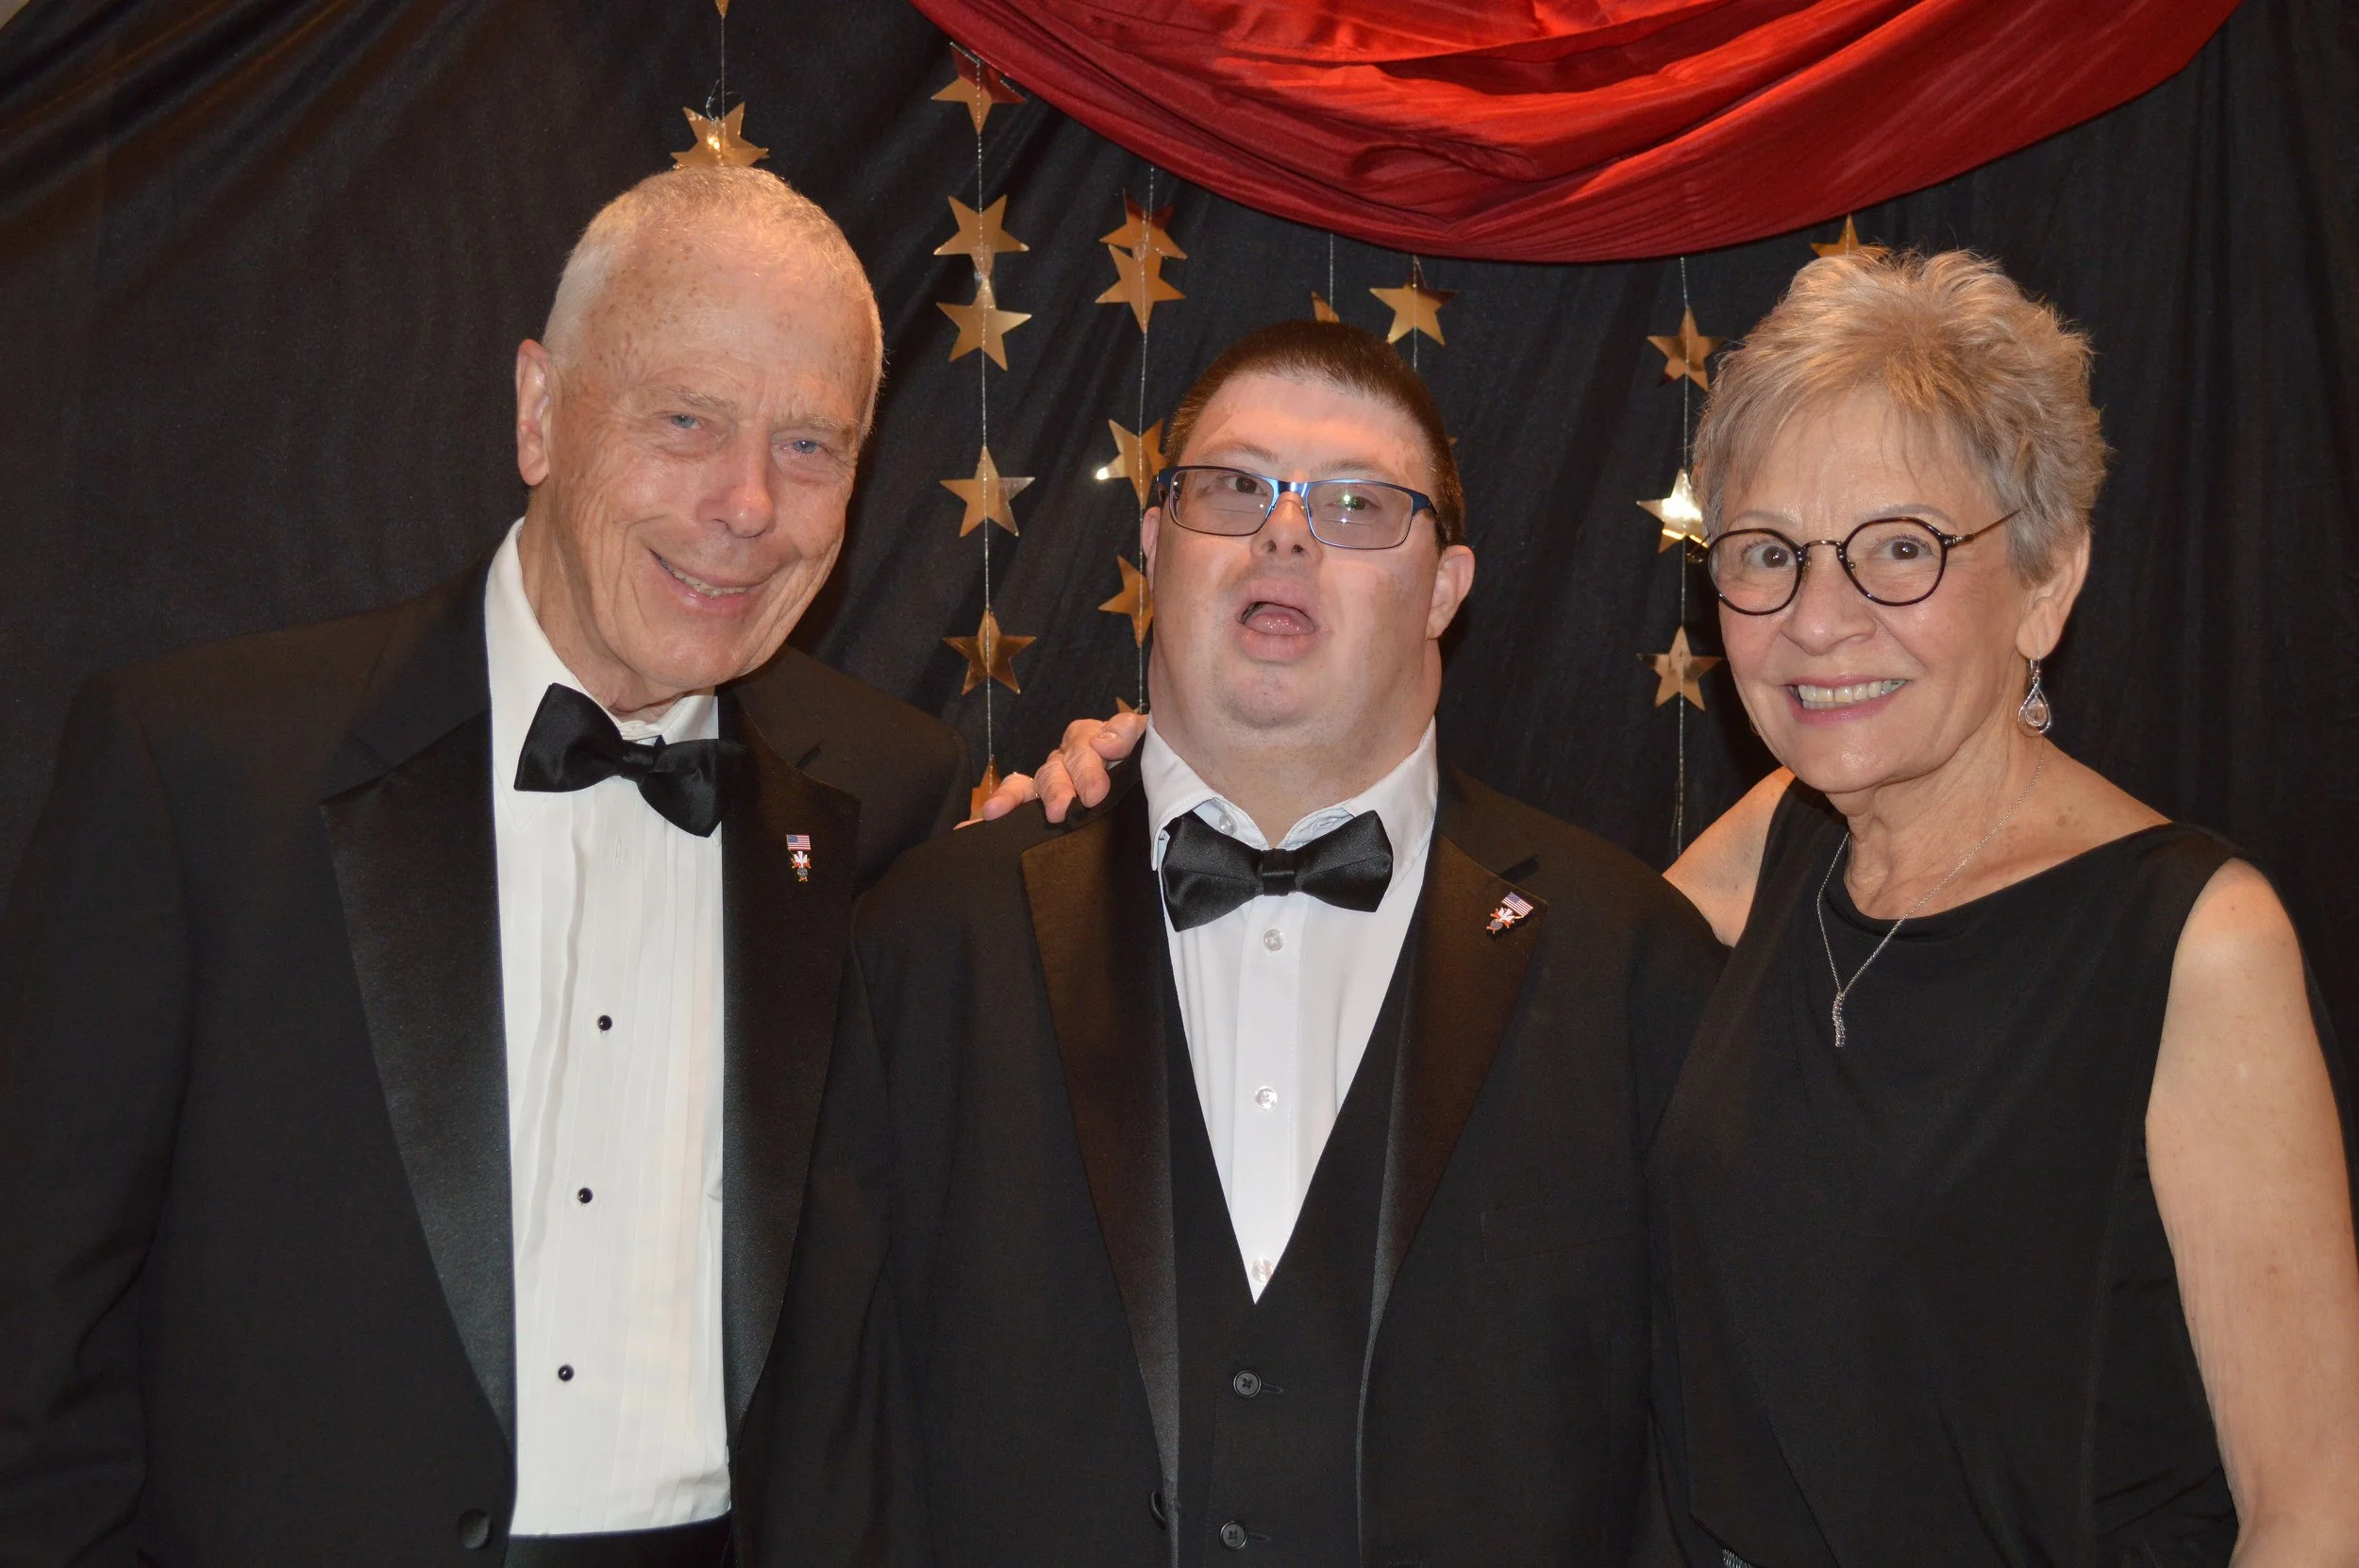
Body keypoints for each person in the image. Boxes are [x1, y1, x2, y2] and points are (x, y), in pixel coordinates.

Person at [1000, 254, 2359, 1563]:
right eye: (1768, 553)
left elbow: (2317, 1514)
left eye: (1900, 548)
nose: (1819, 620)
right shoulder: (1779, 848)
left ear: (2047, 578)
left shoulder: (2195, 941)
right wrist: (1137, 798)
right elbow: (1482, 958)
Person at [0, 167, 963, 1567]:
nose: (748, 504)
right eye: (686, 419)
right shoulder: (200, 768)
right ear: (539, 412)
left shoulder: (894, 796)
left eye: (810, 444)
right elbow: (33, 1337)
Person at [846, 319, 1724, 1566]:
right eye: (1234, 488)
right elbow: (844, 1446)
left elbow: (1690, 1478)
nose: (1286, 533)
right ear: (1156, 547)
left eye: (1358, 505)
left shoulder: (1635, 962)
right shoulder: (929, 941)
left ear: (1446, 589)